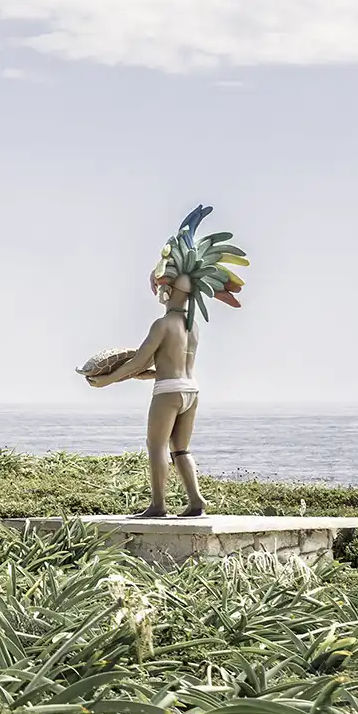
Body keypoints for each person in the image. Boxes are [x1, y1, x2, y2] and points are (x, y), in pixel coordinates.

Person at [87, 205, 248, 518]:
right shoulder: (192, 327)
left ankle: (158, 505)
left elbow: (139, 362)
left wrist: (108, 379)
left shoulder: (163, 325)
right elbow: (166, 367)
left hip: (168, 393)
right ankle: (195, 501)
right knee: (181, 449)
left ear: (168, 288)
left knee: (157, 446)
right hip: (191, 391)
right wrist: (138, 375)